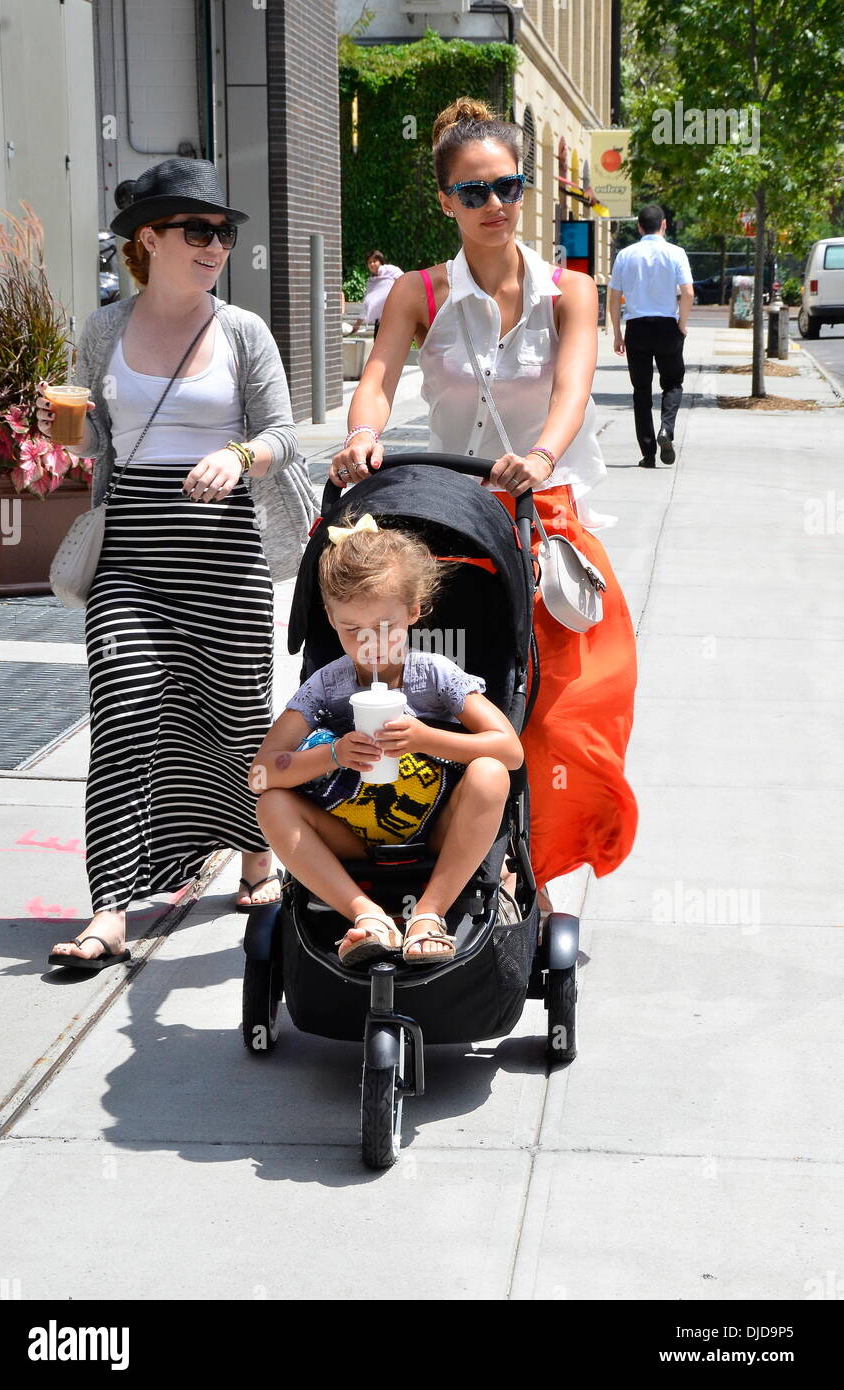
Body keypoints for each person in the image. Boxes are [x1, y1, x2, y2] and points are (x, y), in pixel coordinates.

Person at [329, 97, 638, 910]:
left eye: (509, 186)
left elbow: (573, 390)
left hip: (545, 514)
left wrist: (539, 456)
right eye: (474, 192)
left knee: (561, 711)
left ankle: (536, 870)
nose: (495, 205)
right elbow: (379, 381)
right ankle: (440, 858)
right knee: (439, 693)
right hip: (447, 518)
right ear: (445, 201)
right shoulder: (417, 295)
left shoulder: (569, 290)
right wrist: (364, 433)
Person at [40, 158, 299, 969]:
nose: (216, 245)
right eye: (199, 231)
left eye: (224, 232)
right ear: (147, 239)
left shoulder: (242, 332)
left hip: (224, 557)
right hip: (135, 557)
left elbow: (283, 433)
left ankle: (257, 853)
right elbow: (93, 441)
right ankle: (111, 908)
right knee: (121, 713)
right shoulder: (104, 330)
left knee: (234, 718)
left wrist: (240, 455)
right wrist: (61, 427)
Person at [249, 514, 524, 964]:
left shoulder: (434, 676)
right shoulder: (327, 686)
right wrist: (332, 754)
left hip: (438, 830)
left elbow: (509, 751)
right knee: (271, 804)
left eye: (383, 626)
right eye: (351, 630)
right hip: (352, 834)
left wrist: (425, 738)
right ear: (331, 619)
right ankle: (366, 915)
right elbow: (261, 774)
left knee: (491, 774)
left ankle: (428, 914)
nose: (369, 642)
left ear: (414, 613)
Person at [608, 204, 694, 467]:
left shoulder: (625, 254)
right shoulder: (676, 253)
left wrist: (617, 334)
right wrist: (682, 323)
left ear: (639, 227)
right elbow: (688, 292)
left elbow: (613, 297)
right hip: (667, 326)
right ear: (664, 225)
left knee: (641, 391)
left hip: (637, 327)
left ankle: (648, 453)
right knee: (673, 383)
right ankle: (666, 430)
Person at [350, 251, 403, 339]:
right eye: (369, 262)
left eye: (374, 261)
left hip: (394, 317)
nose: (372, 264)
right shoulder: (371, 283)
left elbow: (404, 281)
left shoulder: (391, 270)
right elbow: (366, 304)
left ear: (380, 261)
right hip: (380, 321)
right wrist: (357, 324)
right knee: (378, 345)